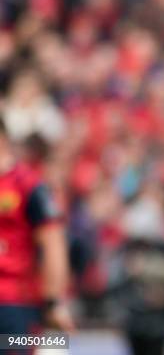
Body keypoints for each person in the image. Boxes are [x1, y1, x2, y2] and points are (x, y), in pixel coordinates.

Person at [0, 118, 74, 354]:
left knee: (36, 346)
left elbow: (53, 243)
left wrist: (54, 302)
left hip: (14, 304)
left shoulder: (28, 185)